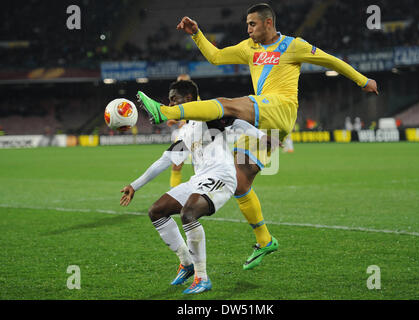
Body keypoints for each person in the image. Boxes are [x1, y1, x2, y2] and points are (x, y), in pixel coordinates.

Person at [136, 3, 379, 270]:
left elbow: (330, 60)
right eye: (247, 24)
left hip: (281, 109)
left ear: (268, 23)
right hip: (265, 123)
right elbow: (216, 57)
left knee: (226, 105)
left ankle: (163, 110)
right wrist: (197, 34)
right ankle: (265, 240)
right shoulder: (248, 48)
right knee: (239, 180)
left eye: (252, 24)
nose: (248, 29)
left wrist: (362, 80)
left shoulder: (293, 46)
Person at [120, 80, 271, 294]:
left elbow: (235, 123)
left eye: (174, 99)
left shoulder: (207, 114)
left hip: (222, 176)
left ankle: (202, 277)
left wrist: (262, 136)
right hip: (199, 179)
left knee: (188, 213)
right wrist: (134, 185)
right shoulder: (186, 130)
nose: (170, 104)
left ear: (188, 99)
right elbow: (165, 161)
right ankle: (187, 263)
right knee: (157, 211)